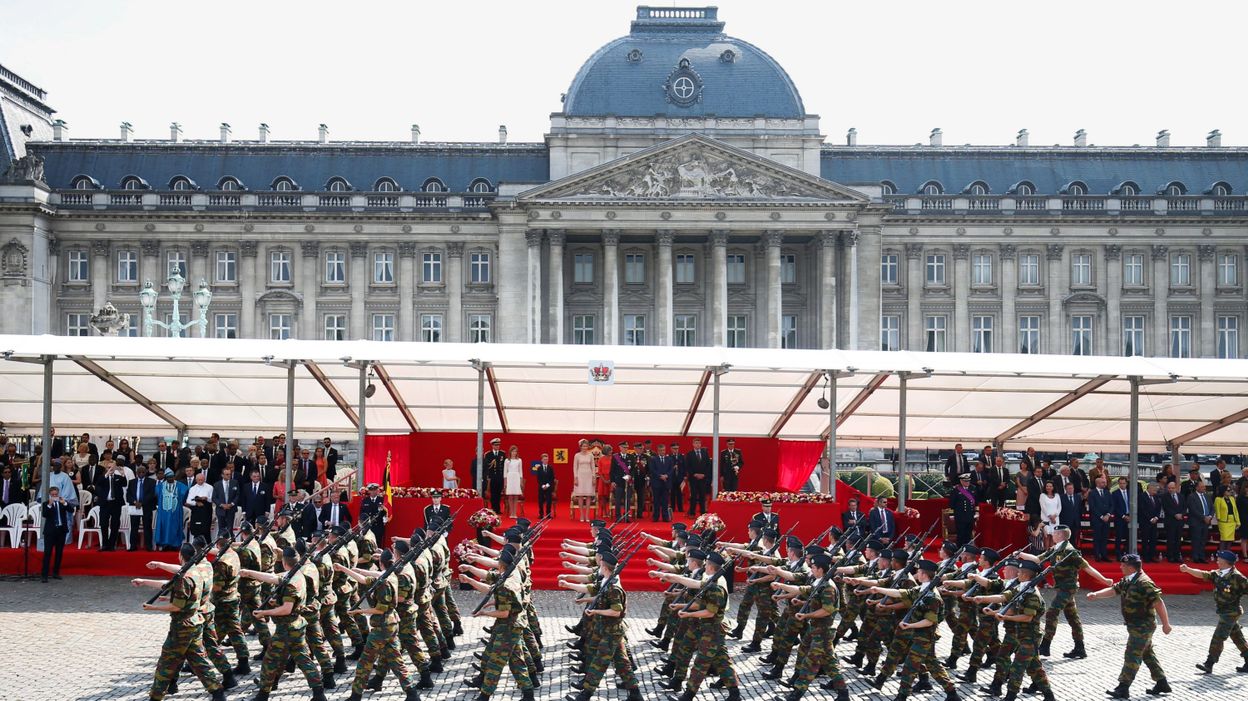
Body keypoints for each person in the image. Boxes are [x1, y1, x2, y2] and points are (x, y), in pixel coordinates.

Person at [132, 542, 228, 701]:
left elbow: (176, 606)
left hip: (182, 627)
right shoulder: (196, 571)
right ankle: (217, 692)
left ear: (181, 556)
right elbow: (172, 582)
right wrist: (146, 580)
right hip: (195, 622)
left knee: (166, 663)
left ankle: (155, 697)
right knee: (199, 661)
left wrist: (153, 608)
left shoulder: (184, 578)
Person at [1087, 554, 1173, 699]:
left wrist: (1166, 624)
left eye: (1123, 565)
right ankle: (1162, 682)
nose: (1120, 567)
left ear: (1131, 567)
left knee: (1132, 654)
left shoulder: (1144, 582)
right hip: (1134, 625)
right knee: (1147, 654)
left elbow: (1158, 602)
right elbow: (1114, 590)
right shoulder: (1129, 580)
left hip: (1143, 626)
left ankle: (1123, 687)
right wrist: (1096, 595)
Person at [1021, 524, 1112, 659]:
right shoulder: (1056, 549)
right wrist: (1021, 554)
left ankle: (1045, 646)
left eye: (1055, 534)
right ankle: (1079, 648)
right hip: (1062, 588)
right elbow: (1037, 559)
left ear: (1061, 536)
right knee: (1072, 618)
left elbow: (1087, 567)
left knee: (1052, 612)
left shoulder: (1070, 552)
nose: (1052, 535)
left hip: (1068, 588)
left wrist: (1104, 580)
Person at [1180, 550, 1248, 674]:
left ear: (1226, 562)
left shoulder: (1237, 577)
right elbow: (1202, 574)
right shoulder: (1218, 574)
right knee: (1237, 636)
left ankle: (1209, 663)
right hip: (1223, 611)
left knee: (1218, 637)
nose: (1217, 561)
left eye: (1219, 559)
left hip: (1231, 612)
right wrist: (1188, 569)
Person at [41, 486, 73, 582]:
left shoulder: (62, 503)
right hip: (50, 531)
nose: (55, 496)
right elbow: (45, 514)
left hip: (61, 530)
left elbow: (71, 510)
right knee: (48, 553)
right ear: (50, 495)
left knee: (59, 553)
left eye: (56, 494)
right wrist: (50, 505)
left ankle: (56, 572)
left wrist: (65, 503)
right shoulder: (46, 504)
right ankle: (44, 575)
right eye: (53, 495)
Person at [155, 468, 189, 550]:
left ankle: (175, 544)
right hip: (164, 512)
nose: (171, 478)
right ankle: (164, 544)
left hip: (176, 512)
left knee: (175, 526)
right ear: (166, 477)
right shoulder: (159, 487)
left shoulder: (181, 486)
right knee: (164, 526)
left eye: (172, 476)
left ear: (174, 476)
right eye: (169, 477)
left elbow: (184, 496)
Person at [98, 459, 129, 551]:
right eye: (108, 468)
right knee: (103, 523)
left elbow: (125, 483)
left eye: (112, 468)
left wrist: (122, 473)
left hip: (116, 504)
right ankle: (104, 544)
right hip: (105, 504)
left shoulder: (118, 477)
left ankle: (112, 544)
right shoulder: (103, 477)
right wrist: (107, 474)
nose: (110, 469)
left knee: (115, 524)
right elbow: (99, 483)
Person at [127, 463, 158, 550]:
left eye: (143, 472)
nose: (141, 473)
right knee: (134, 527)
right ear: (136, 472)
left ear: (146, 472)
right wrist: (134, 502)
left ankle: (148, 546)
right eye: (139, 472)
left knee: (147, 527)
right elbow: (128, 495)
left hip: (146, 507)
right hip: (134, 506)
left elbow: (151, 495)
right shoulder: (132, 482)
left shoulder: (152, 482)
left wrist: (142, 502)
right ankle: (133, 546)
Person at [1188, 481, 1214, 563]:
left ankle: (1202, 557)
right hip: (1196, 522)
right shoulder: (1192, 496)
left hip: (1206, 522)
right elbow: (1193, 509)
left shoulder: (1207, 496)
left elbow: (1212, 508)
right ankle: (1195, 557)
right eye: (1202, 486)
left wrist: (1209, 517)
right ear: (1197, 488)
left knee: (1203, 540)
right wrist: (1203, 517)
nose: (1204, 488)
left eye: (1204, 486)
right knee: (1196, 540)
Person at [684, 438, 711, 516]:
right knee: (694, 496)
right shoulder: (689, 454)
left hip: (703, 478)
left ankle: (702, 513)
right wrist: (694, 474)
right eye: (696, 443)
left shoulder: (705, 453)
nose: (697, 445)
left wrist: (704, 474)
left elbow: (708, 465)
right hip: (693, 479)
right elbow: (688, 466)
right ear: (693, 444)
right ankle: (692, 512)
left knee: (702, 495)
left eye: (699, 443)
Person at [1088, 476, 1113, 561]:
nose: (1104, 484)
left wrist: (1108, 514)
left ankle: (1104, 555)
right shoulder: (1092, 493)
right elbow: (1092, 507)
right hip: (1097, 519)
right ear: (1098, 483)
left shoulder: (1107, 492)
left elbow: (1112, 505)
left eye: (1104, 482)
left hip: (1107, 519)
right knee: (1097, 537)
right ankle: (1097, 555)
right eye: (1103, 482)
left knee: (1105, 538)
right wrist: (1101, 516)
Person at [649, 443, 675, 522]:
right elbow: (652, 470)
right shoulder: (653, 459)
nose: (662, 452)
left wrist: (666, 475)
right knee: (656, 500)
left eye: (663, 450)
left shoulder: (669, 459)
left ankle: (665, 516)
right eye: (660, 450)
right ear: (658, 451)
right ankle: (655, 516)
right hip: (656, 482)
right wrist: (660, 476)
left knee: (665, 500)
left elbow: (671, 469)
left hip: (666, 483)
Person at [572, 440, 596, 522]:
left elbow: (593, 467)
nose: (585, 448)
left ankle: (587, 515)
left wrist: (593, 478)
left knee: (589, 496)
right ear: (580, 447)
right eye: (583, 446)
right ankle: (582, 515)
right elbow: (575, 467)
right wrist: (575, 478)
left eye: (586, 446)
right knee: (580, 496)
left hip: (589, 476)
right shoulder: (577, 455)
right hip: (580, 476)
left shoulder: (590, 455)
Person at [186, 471, 214, 543]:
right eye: (199, 480)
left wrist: (206, 498)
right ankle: (196, 544)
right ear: (196, 480)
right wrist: (196, 503)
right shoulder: (192, 488)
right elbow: (188, 501)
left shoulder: (210, 487)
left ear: (204, 479)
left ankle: (208, 544)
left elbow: (212, 499)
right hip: (196, 510)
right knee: (197, 528)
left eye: (202, 479)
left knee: (206, 529)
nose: (201, 481)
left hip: (206, 510)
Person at [951, 472, 978, 546]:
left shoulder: (973, 488)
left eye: (968, 481)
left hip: (970, 516)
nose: (967, 482)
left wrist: (975, 513)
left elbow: (976, 502)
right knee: (961, 534)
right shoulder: (956, 490)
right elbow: (952, 504)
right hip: (960, 516)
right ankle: (959, 549)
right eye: (965, 481)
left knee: (968, 534)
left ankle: (967, 550)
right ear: (961, 481)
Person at [212, 464, 239, 537]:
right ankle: (221, 543)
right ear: (222, 475)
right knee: (221, 528)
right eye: (227, 474)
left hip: (231, 509)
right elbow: (214, 497)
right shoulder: (217, 484)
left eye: (229, 474)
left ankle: (230, 543)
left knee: (230, 528)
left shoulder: (235, 482)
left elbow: (237, 495)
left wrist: (232, 504)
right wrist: (221, 505)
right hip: (221, 510)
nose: (228, 476)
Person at [1139, 483, 1162, 562]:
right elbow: (1142, 509)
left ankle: (1152, 556)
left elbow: (1158, 507)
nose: (1155, 492)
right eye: (1154, 490)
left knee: (1153, 539)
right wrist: (1150, 518)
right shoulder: (1142, 496)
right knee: (1145, 540)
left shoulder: (1156, 497)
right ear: (1149, 488)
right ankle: (1145, 557)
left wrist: (1156, 517)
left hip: (1154, 522)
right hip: (1145, 521)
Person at [1215, 484, 1241, 552]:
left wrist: (1238, 521)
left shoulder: (1232, 499)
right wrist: (1219, 518)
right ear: (1223, 491)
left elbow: (1235, 511)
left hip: (1232, 521)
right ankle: (1221, 554)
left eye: (1230, 490)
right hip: (1223, 522)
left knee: (1230, 540)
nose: (1230, 492)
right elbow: (1217, 510)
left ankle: (1227, 555)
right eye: (1228, 490)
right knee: (1224, 539)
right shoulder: (1218, 499)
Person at [483, 438, 507, 513]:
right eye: (496, 445)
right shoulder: (488, 454)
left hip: (500, 476)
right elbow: (486, 466)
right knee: (493, 493)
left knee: (498, 493)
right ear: (492, 445)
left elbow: (504, 466)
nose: (497, 447)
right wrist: (487, 477)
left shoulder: (502, 454)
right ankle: (494, 508)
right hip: (492, 477)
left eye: (498, 445)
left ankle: (498, 509)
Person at [533, 452, 556, 519]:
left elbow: (552, 478)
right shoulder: (539, 468)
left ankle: (548, 514)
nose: (545, 460)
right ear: (542, 460)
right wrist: (543, 486)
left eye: (546, 459)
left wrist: (547, 485)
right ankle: (541, 514)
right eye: (544, 459)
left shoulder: (550, 468)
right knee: (540, 501)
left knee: (549, 501)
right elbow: (538, 479)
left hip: (549, 487)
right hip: (541, 487)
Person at [503, 445, 524, 518]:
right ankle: (511, 513)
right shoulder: (507, 460)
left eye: (515, 451)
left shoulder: (519, 460)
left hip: (516, 477)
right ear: (510, 452)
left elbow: (520, 471)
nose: (514, 453)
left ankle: (514, 513)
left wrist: (521, 481)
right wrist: (505, 482)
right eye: (513, 451)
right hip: (509, 477)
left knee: (515, 496)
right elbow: (505, 472)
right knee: (510, 496)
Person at [1039, 480, 1060, 546]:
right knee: (1047, 536)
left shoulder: (1057, 495)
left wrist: (1055, 516)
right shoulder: (1042, 495)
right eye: (1047, 486)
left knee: (1053, 537)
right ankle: (1046, 554)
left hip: (1055, 519)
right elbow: (1043, 507)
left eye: (1050, 486)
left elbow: (1059, 507)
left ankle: (1052, 555)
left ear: (1053, 487)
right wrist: (1050, 517)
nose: (1049, 487)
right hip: (1046, 519)